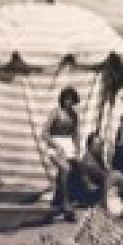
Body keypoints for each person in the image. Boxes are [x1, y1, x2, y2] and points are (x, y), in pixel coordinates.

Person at [41, 86, 84, 219]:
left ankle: (57, 202)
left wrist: (77, 149)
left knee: (71, 170)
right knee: (65, 168)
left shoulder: (74, 115)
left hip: (69, 146)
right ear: (62, 99)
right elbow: (44, 133)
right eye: (66, 99)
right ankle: (66, 204)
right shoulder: (55, 112)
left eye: (71, 99)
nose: (69, 102)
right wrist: (56, 145)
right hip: (55, 145)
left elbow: (75, 133)